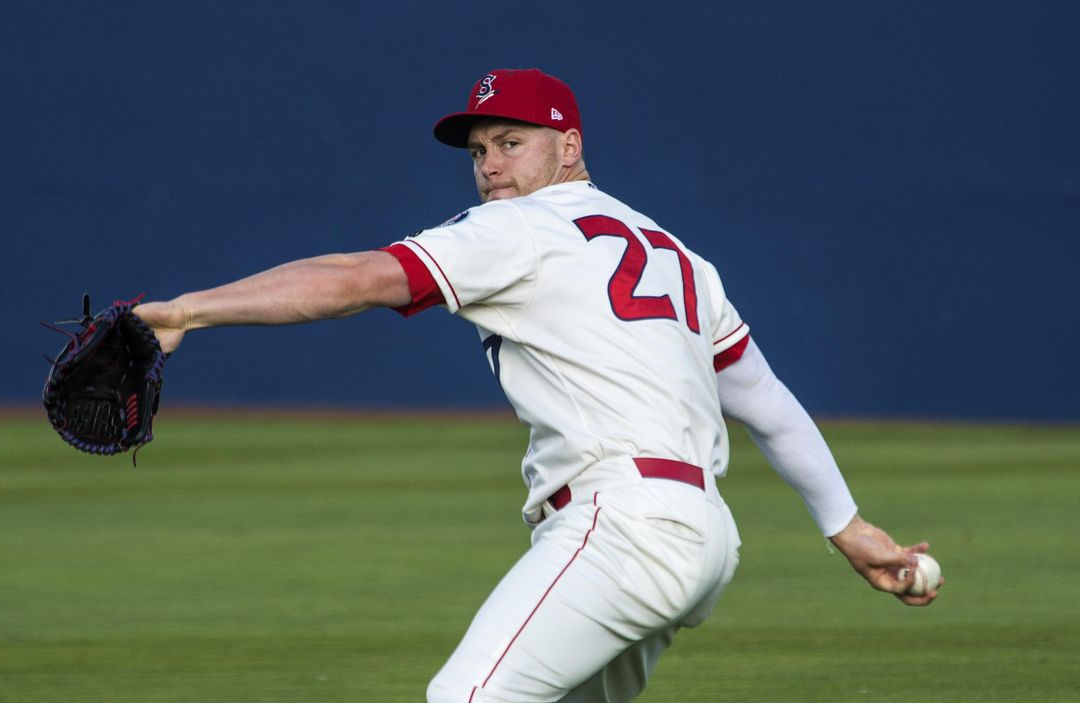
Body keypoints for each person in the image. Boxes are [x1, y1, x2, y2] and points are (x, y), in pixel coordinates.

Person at [133, 68, 941, 703]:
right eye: (480, 150)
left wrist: (187, 312)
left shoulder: (518, 229)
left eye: (511, 142)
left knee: (464, 696)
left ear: (570, 146)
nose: (490, 167)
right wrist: (847, 525)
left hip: (624, 528)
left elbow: (354, 278)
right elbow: (766, 401)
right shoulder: (679, 255)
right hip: (701, 537)